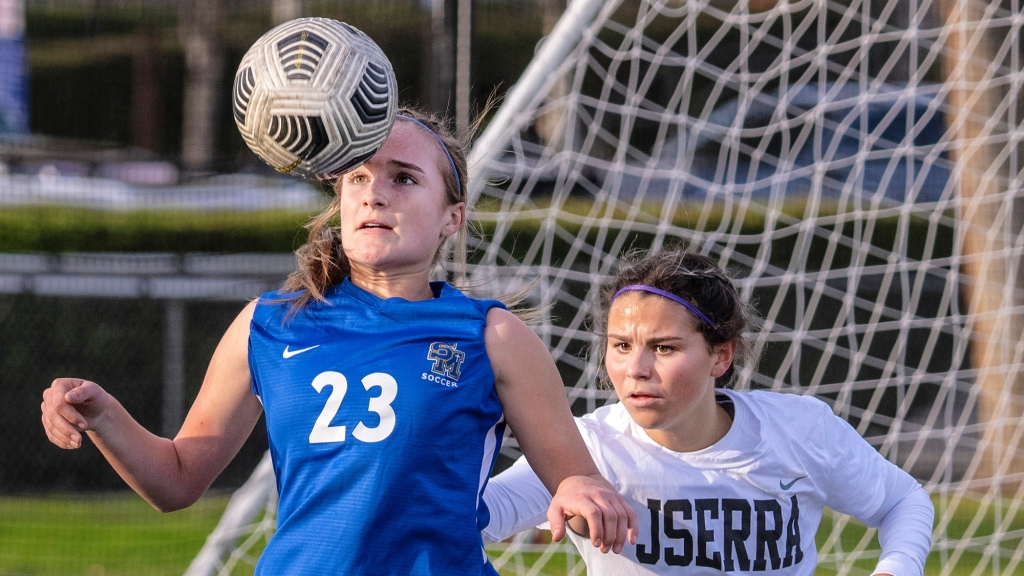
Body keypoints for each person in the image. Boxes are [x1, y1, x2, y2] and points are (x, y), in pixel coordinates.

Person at [40, 108, 637, 576]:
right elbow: (174, 481)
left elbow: (574, 481)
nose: (375, 193)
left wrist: (582, 491)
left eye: (404, 178)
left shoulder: (493, 335)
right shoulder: (268, 324)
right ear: (341, 199)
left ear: (452, 217)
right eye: (359, 177)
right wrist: (102, 414)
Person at [482, 249, 934, 576]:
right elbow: (467, 520)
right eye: (621, 346)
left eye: (663, 348)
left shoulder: (801, 430)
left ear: (721, 356)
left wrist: (896, 569)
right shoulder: (584, 449)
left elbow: (903, 501)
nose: (635, 370)